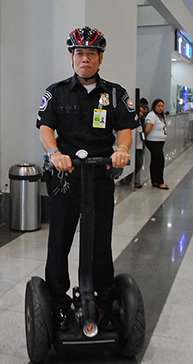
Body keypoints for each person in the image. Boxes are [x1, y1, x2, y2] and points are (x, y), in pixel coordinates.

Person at [36, 26, 138, 331]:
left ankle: (103, 302)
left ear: (100, 58)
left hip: (99, 176)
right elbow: (45, 128)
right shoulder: (55, 92)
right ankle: (56, 304)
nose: (85, 59)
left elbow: (125, 130)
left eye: (91, 53)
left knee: (99, 244)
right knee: (59, 243)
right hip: (65, 177)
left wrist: (121, 149)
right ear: (72, 57)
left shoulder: (116, 94)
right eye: (79, 53)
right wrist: (55, 153)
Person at [144, 99, 169, 189]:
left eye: (162, 106)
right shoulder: (152, 116)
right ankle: (159, 181)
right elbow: (147, 130)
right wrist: (144, 138)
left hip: (159, 142)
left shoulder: (159, 116)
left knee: (155, 161)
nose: (160, 108)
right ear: (154, 106)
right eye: (158, 106)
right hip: (153, 142)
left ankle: (155, 181)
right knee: (160, 161)